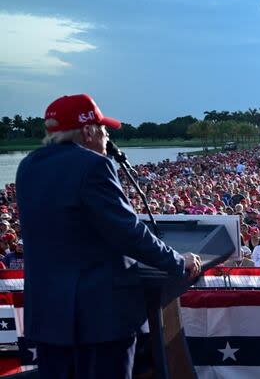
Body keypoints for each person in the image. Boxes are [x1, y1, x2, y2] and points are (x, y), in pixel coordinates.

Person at [15, 94, 202, 378]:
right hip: (100, 318)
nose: (106, 138)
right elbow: (128, 231)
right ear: (88, 131)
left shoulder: (27, 166)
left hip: (49, 318)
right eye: (103, 130)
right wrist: (178, 262)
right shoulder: (92, 166)